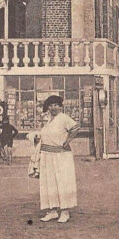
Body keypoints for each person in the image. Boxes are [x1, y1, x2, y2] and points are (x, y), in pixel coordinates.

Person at [38, 95, 80, 223]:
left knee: (62, 182)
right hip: (47, 156)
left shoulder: (64, 118)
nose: (53, 108)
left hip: (61, 156)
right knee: (49, 184)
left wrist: (68, 141)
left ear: (60, 106)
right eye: (51, 105)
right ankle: (52, 211)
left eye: (56, 105)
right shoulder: (49, 119)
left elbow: (76, 128)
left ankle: (65, 212)